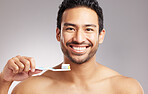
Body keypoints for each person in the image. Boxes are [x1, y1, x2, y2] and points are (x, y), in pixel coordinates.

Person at [0, 0, 144, 94]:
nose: (79, 39)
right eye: (70, 28)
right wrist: (4, 81)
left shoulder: (126, 89)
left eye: (88, 29)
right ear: (58, 34)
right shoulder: (30, 90)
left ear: (101, 35)